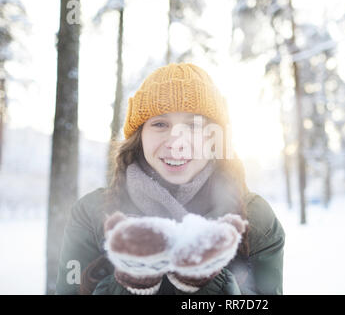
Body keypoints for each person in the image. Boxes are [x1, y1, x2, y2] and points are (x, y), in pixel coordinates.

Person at [55, 63, 285, 295]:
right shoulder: (91, 213)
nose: (176, 143)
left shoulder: (255, 219)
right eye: (160, 124)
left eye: (194, 125)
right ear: (140, 136)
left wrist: (206, 284)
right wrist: (130, 282)